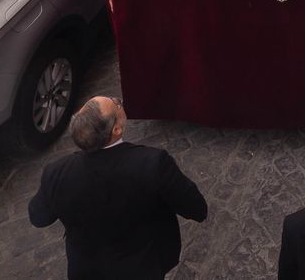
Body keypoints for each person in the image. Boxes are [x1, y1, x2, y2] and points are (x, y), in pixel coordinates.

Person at [28, 96, 208, 280]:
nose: (118, 102)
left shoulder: (56, 172)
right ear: (116, 129)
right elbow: (196, 208)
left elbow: (39, 218)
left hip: (88, 271)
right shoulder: (152, 163)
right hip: (142, 267)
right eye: (116, 104)